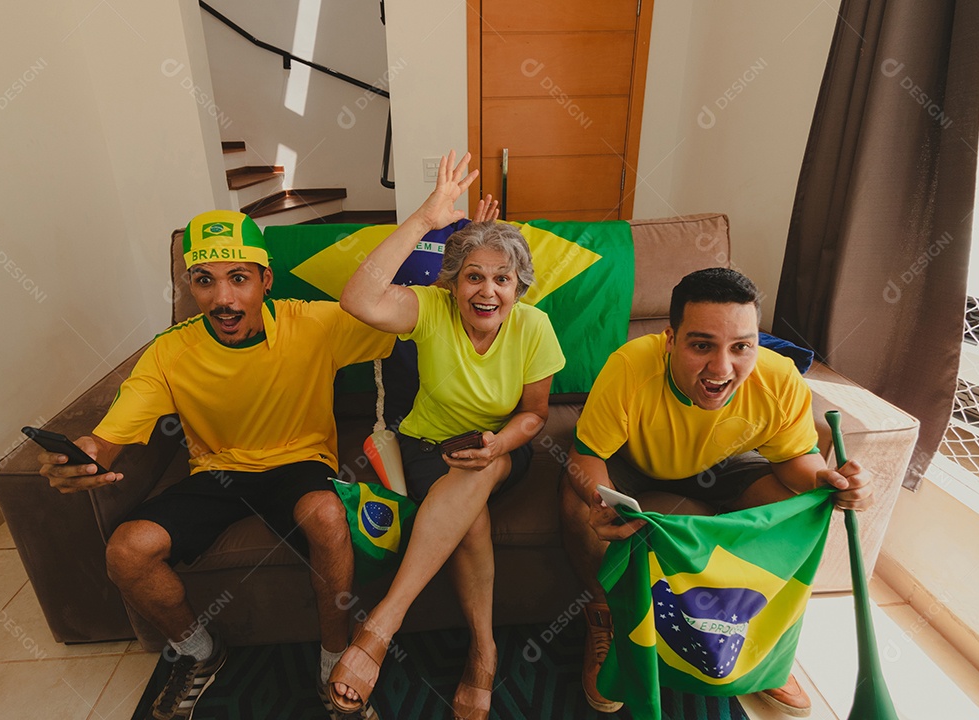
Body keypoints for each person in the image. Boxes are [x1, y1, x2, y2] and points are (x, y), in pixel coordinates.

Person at [37, 210, 394, 720]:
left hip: (300, 461)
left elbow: (404, 319)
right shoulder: (169, 351)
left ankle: (334, 658)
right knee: (126, 551)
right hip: (217, 473)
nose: (223, 299)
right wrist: (84, 457)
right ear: (191, 286)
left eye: (239, 279)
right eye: (205, 281)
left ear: (265, 281)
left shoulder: (313, 323)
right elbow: (107, 437)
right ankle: (200, 653)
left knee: (330, 516)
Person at [560, 268, 873, 718]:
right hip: (635, 463)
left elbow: (794, 461)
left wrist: (826, 481)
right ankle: (602, 611)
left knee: (799, 508)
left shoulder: (779, 379)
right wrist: (601, 499)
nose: (722, 369)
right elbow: (585, 454)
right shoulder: (630, 366)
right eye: (701, 345)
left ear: (756, 344)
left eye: (741, 347)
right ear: (670, 339)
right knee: (576, 499)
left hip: (724, 462)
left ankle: (765, 641)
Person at [327, 151, 566, 720]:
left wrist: (502, 444)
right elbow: (358, 300)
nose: (488, 292)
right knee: (471, 514)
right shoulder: (430, 310)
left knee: (484, 467)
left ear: (518, 286)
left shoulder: (534, 326)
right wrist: (424, 219)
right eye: (474, 277)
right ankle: (483, 653)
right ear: (452, 283)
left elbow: (535, 413)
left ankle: (379, 628)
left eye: (502, 279)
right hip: (427, 447)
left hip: (501, 447)